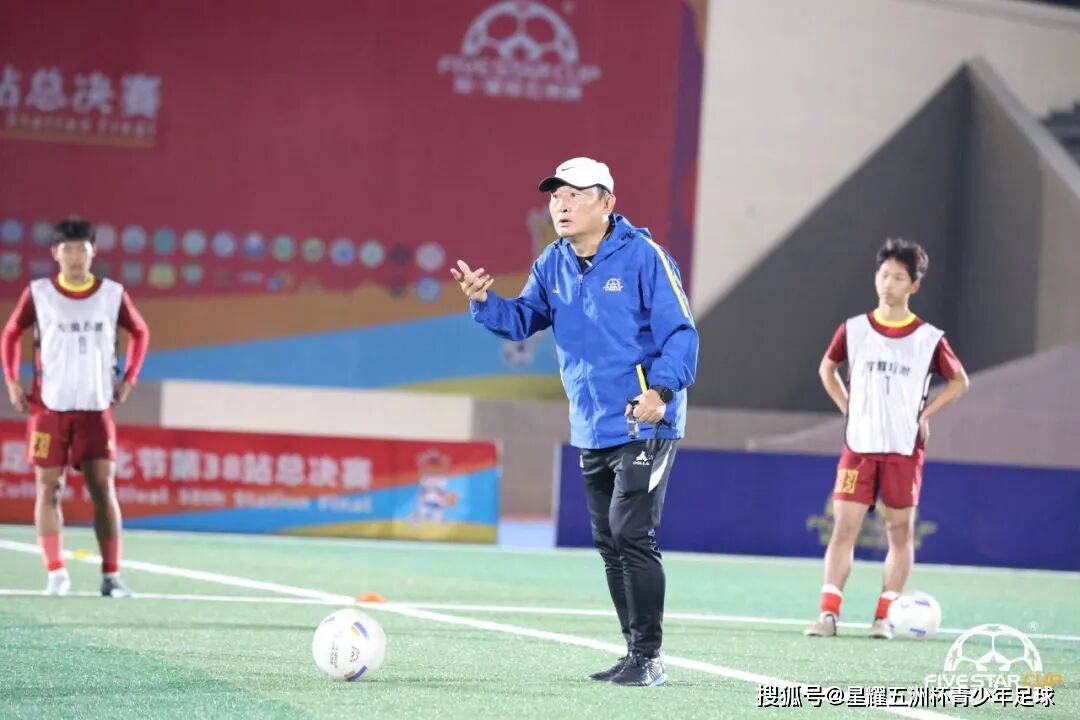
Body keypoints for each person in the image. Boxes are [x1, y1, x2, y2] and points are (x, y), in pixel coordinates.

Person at [451, 157, 698, 686]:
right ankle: (634, 653)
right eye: (555, 197)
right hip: (591, 426)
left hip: (645, 420)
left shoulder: (645, 257)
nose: (561, 206)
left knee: (631, 533)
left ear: (608, 203)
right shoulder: (553, 262)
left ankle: (650, 657)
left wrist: (660, 391)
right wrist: (484, 302)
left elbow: (681, 333)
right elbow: (523, 319)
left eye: (575, 195)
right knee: (609, 543)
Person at [804, 238, 968, 639]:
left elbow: (959, 381)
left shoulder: (928, 338)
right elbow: (827, 369)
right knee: (844, 530)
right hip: (859, 447)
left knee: (899, 532)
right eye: (883, 275)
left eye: (898, 277)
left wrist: (924, 415)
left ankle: (884, 617)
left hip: (903, 449)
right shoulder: (854, 330)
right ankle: (828, 615)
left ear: (914, 285)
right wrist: (848, 407)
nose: (888, 283)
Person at [1, 217, 150, 597]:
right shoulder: (39, 293)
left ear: (92, 252)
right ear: (55, 253)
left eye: (81, 248)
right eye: (67, 249)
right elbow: (11, 332)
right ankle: (55, 574)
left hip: (95, 407)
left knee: (103, 488)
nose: (74, 256)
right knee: (49, 488)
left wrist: (129, 378)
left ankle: (111, 576)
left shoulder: (112, 294)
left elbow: (140, 331)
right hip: (48, 408)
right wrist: (12, 381)